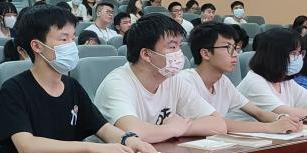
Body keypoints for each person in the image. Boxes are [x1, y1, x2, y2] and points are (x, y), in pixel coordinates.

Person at [0, 4, 158, 153]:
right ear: (37, 46)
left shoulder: (72, 86)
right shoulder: (13, 89)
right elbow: (26, 145)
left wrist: (129, 140)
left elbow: (103, 128)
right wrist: (91, 148)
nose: (71, 45)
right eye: (63, 39)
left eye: (72, 38)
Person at [94, 14, 225, 143]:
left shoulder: (172, 80)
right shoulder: (117, 84)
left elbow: (219, 124)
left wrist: (180, 129)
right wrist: (172, 129)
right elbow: (132, 134)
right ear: (146, 54)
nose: (179, 53)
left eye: (179, 46)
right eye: (172, 47)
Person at [180, 23, 304, 134]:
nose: (235, 54)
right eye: (228, 48)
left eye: (235, 48)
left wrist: (282, 119)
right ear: (205, 53)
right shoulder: (185, 81)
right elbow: (218, 123)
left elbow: (258, 112)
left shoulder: (223, 82)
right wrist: (271, 127)